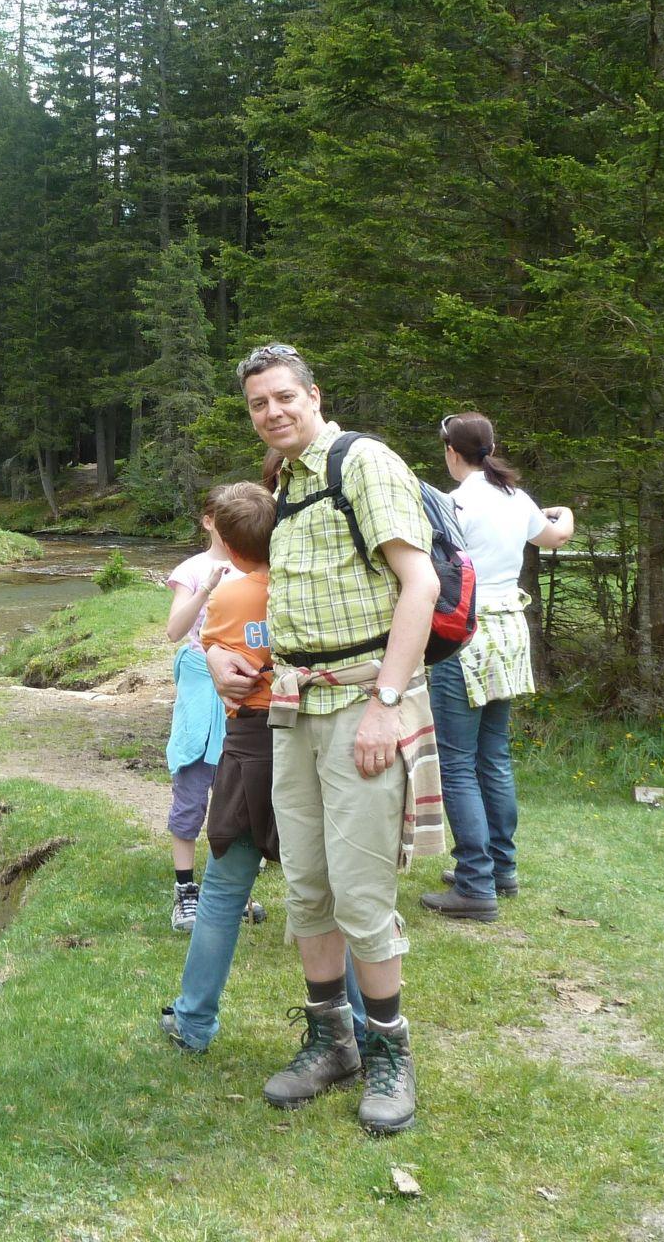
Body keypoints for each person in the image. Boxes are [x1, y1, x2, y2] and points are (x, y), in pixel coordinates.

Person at [214, 342, 440, 1136]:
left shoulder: (363, 463)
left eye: (284, 396)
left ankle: (389, 1053)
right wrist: (228, 660)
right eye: (258, 403)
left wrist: (386, 704)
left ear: (313, 394)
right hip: (293, 706)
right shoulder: (285, 483)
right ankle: (330, 1042)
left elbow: (421, 584)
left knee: (361, 892)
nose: (272, 412)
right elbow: (292, 597)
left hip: (361, 705)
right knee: (307, 885)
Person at [161, 479, 367, 1053]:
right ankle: (360, 1026)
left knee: (225, 888)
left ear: (225, 543)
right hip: (312, 736)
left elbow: (204, 645)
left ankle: (193, 1021)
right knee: (327, 892)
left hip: (250, 745)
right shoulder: (307, 587)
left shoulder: (228, 596)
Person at [417, 411, 573, 921]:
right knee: (493, 756)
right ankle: (501, 868)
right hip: (509, 632)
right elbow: (555, 537)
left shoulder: (453, 504)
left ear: (451, 451)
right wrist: (566, 512)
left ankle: (474, 883)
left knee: (457, 762)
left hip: (465, 634)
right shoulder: (514, 498)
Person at [161, 491, 238, 931]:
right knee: (192, 786)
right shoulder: (190, 570)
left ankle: (230, 889)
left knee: (239, 794)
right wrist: (207, 586)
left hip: (245, 687)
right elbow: (174, 630)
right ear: (208, 521)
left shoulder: (258, 566)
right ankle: (185, 890)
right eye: (224, 519)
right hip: (198, 684)